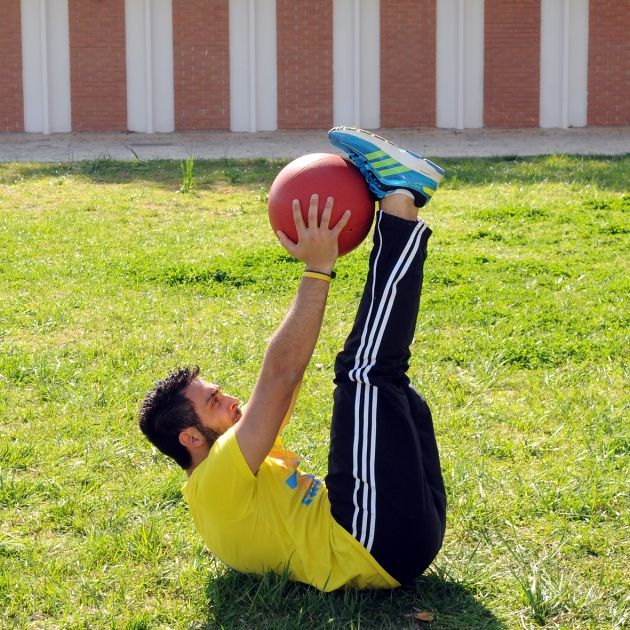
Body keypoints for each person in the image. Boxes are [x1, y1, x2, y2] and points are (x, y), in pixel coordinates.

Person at [138, 127, 447, 591]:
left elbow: (286, 385)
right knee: (364, 372)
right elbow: (281, 375)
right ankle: (400, 198)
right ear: (189, 437)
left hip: (402, 535)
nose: (231, 401)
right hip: (373, 541)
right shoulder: (215, 483)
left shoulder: (241, 474)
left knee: (388, 385)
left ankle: (399, 197)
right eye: (214, 402)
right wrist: (318, 268)